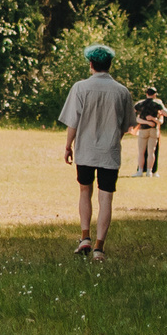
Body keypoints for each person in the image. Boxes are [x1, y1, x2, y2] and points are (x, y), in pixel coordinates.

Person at [58, 44, 138, 259]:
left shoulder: (80, 88)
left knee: (85, 191)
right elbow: (128, 125)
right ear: (109, 65)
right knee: (106, 198)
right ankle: (99, 247)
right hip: (109, 152)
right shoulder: (122, 91)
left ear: (91, 64)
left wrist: (68, 146)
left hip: (85, 149)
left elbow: (72, 122)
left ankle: (85, 236)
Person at [135, 83, 167, 175]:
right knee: (151, 151)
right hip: (153, 129)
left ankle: (140, 170)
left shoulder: (140, 103)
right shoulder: (157, 103)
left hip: (143, 129)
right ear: (155, 94)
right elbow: (165, 113)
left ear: (146, 94)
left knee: (141, 152)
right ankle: (150, 171)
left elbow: (133, 110)